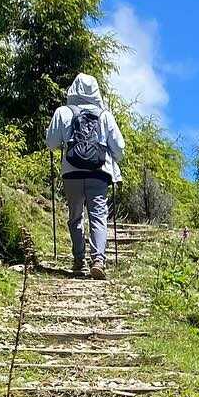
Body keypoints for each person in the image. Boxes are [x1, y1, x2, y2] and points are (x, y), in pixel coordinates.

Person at [45, 73, 125, 278]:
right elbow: (119, 148)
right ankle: (98, 259)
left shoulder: (63, 112)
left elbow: (51, 143)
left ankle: (79, 259)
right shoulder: (105, 115)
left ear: (74, 88)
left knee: (75, 217)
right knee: (98, 216)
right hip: (99, 173)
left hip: (71, 171)